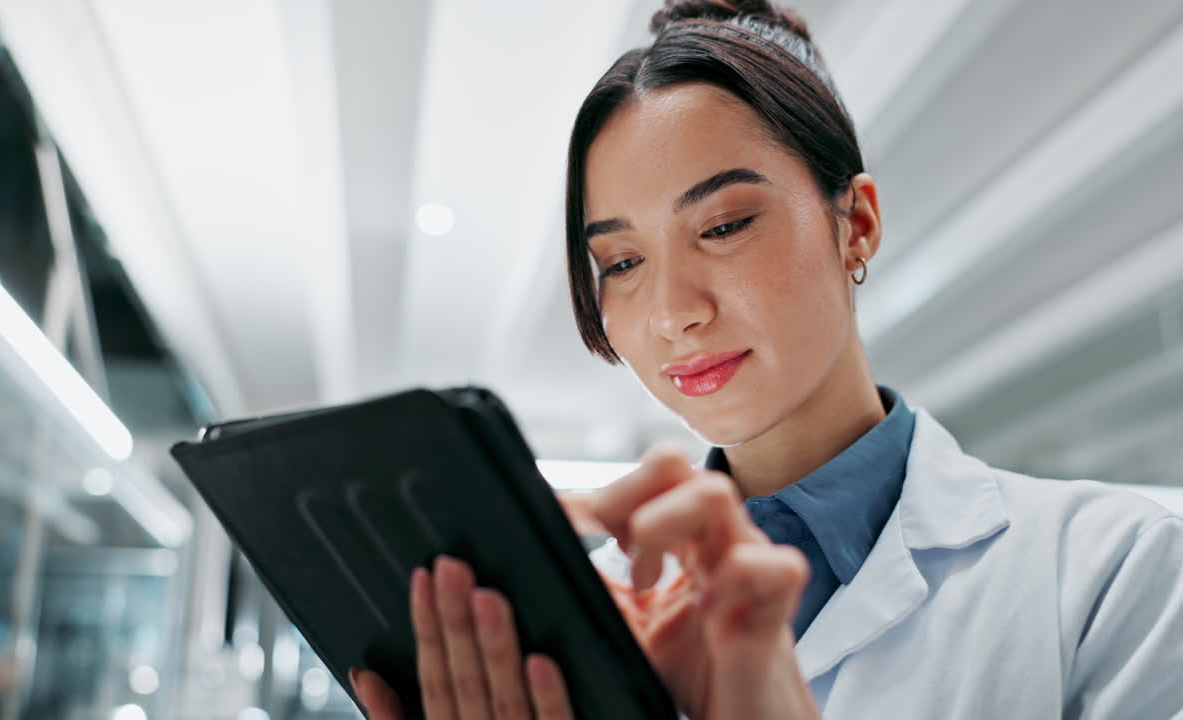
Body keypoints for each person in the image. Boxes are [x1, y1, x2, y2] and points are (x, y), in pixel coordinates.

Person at [350, 1, 1183, 717]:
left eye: (722, 227)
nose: (675, 313)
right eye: (623, 264)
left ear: (853, 222)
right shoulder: (579, 611)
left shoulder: (1114, 573)